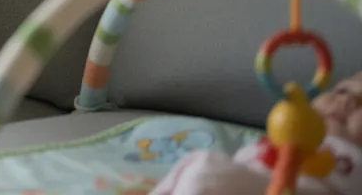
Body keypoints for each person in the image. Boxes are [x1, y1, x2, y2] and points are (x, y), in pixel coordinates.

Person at [149, 71, 362, 194]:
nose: (347, 101)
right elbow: (245, 163)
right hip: (253, 182)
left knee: (208, 175)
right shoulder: (279, 138)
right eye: (342, 90)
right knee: (201, 165)